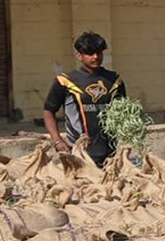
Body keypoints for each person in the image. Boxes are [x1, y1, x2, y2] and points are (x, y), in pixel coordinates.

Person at [43, 31, 127, 168]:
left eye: (99, 53)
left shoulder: (114, 80)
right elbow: (48, 111)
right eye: (90, 53)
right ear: (79, 56)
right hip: (78, 152)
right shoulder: (65, 81)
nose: (96, 57)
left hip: (110, 153)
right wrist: (57, 141)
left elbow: (123, 111)